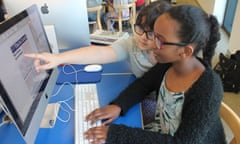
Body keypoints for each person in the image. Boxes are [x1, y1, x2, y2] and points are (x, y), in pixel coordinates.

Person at [84, 5, 227, 144]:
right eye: (154, 35)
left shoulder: (208, 89)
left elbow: (183, 141)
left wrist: (115, 134)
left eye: (160, 40)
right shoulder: (168, 64)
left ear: (185, 51)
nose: (152, 44)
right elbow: (144, 84)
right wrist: (119, 105)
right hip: (166, 133)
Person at [25, 0, 171, 78]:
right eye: (139, 29)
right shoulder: (132, 44)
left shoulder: (168, 55)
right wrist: (58, 58)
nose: (143, 38)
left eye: (151, 34)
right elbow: (99, 53)